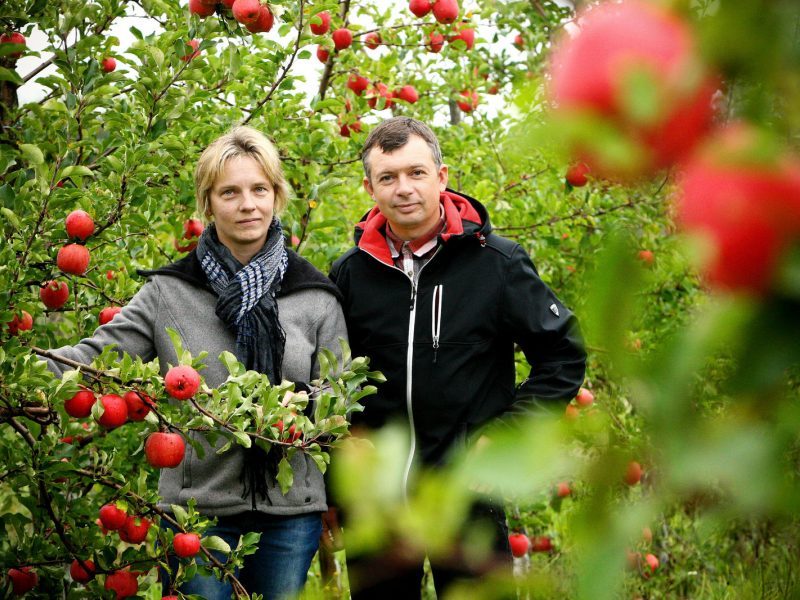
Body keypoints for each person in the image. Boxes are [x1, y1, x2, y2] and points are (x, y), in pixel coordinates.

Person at [45, 126, 348, 600]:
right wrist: (24, 378)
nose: (247, 204)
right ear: (208, 204)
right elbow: (95, 357)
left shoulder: (314, 295)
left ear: (277, 197)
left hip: (291, 514)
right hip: (195, 514)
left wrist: (305, 402)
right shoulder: (169, 293)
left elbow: (340, 400)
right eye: (230, 192)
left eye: (259, 189)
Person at [328, 117, 587, 597]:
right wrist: (339, 449)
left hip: (470, 494)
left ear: (442, 176)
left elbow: (563, 356)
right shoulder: (349, 273)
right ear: (369, 186)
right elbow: (325, 375)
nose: (403, 188)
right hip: (379, 501)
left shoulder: (498, 264)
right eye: (388, 177)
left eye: (416, 173)